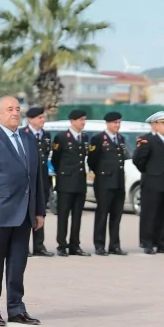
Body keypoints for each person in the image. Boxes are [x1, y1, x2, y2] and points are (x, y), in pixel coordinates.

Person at [0, 96, 45, 327]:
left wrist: (39, 210)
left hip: (23, 214)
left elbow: (36, 177)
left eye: (17, 109)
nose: (15, 113)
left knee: (17, 266)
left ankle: (16, 308)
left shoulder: (28, 139)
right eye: (10, 109)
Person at [132, 112, 164, 254]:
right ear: (155, 125)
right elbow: (138, 160)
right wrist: (149, 172)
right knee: (150, 214)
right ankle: (147, 242)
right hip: (152, 183)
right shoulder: (147, 141)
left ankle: (161, 242)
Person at [87, 111, 128, 255]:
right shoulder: (98, 139)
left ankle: (114, 245)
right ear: (108, 123)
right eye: (115, 123)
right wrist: (102, 173)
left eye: (119, 122)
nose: (117, 125)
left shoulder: (121, 139)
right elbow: (92, 160)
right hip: (104, 182)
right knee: (102, 214)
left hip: (118, 182)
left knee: (116, 215)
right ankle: (99, 244)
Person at [51, 109, 90, 256]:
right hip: (66, 182)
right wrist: (63, 173)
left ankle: (74, 245)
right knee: (63, 216)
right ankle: (61, 245)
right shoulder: (62, 137)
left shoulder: (84, 137)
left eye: (84, 119)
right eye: (80, 120)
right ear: (72, 121)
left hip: (80, 182)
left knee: (77, 216)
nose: (83, 122)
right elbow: (56, 159)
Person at [23, 107, 54, 256]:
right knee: (26, 212)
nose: (43, 120)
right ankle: (23, 246)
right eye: (40, 117)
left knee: (41, 211)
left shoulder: (46, 135)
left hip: (42, 179)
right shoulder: (22, 134)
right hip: (28, 179)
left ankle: (39, 245)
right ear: (30, 119)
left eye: (43, 117)